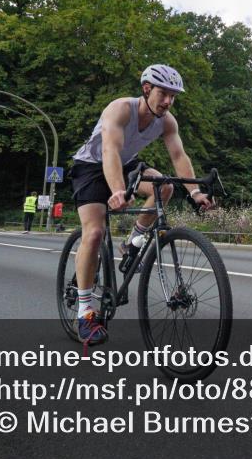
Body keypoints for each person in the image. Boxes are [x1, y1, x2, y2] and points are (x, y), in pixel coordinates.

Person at [69, 64, 215, 346]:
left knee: (165, 186)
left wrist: (196, 192)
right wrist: (117, 191)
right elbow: (110, 149)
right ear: (146, 89)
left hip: (126, 164)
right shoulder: (121, 109)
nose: (168, 101)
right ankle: (85, 311)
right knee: (95, 233)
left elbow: (178, 155)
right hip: (92, 166)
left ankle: (132, 242)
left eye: (173, 96)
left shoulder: (167, 121)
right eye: (163, 94)